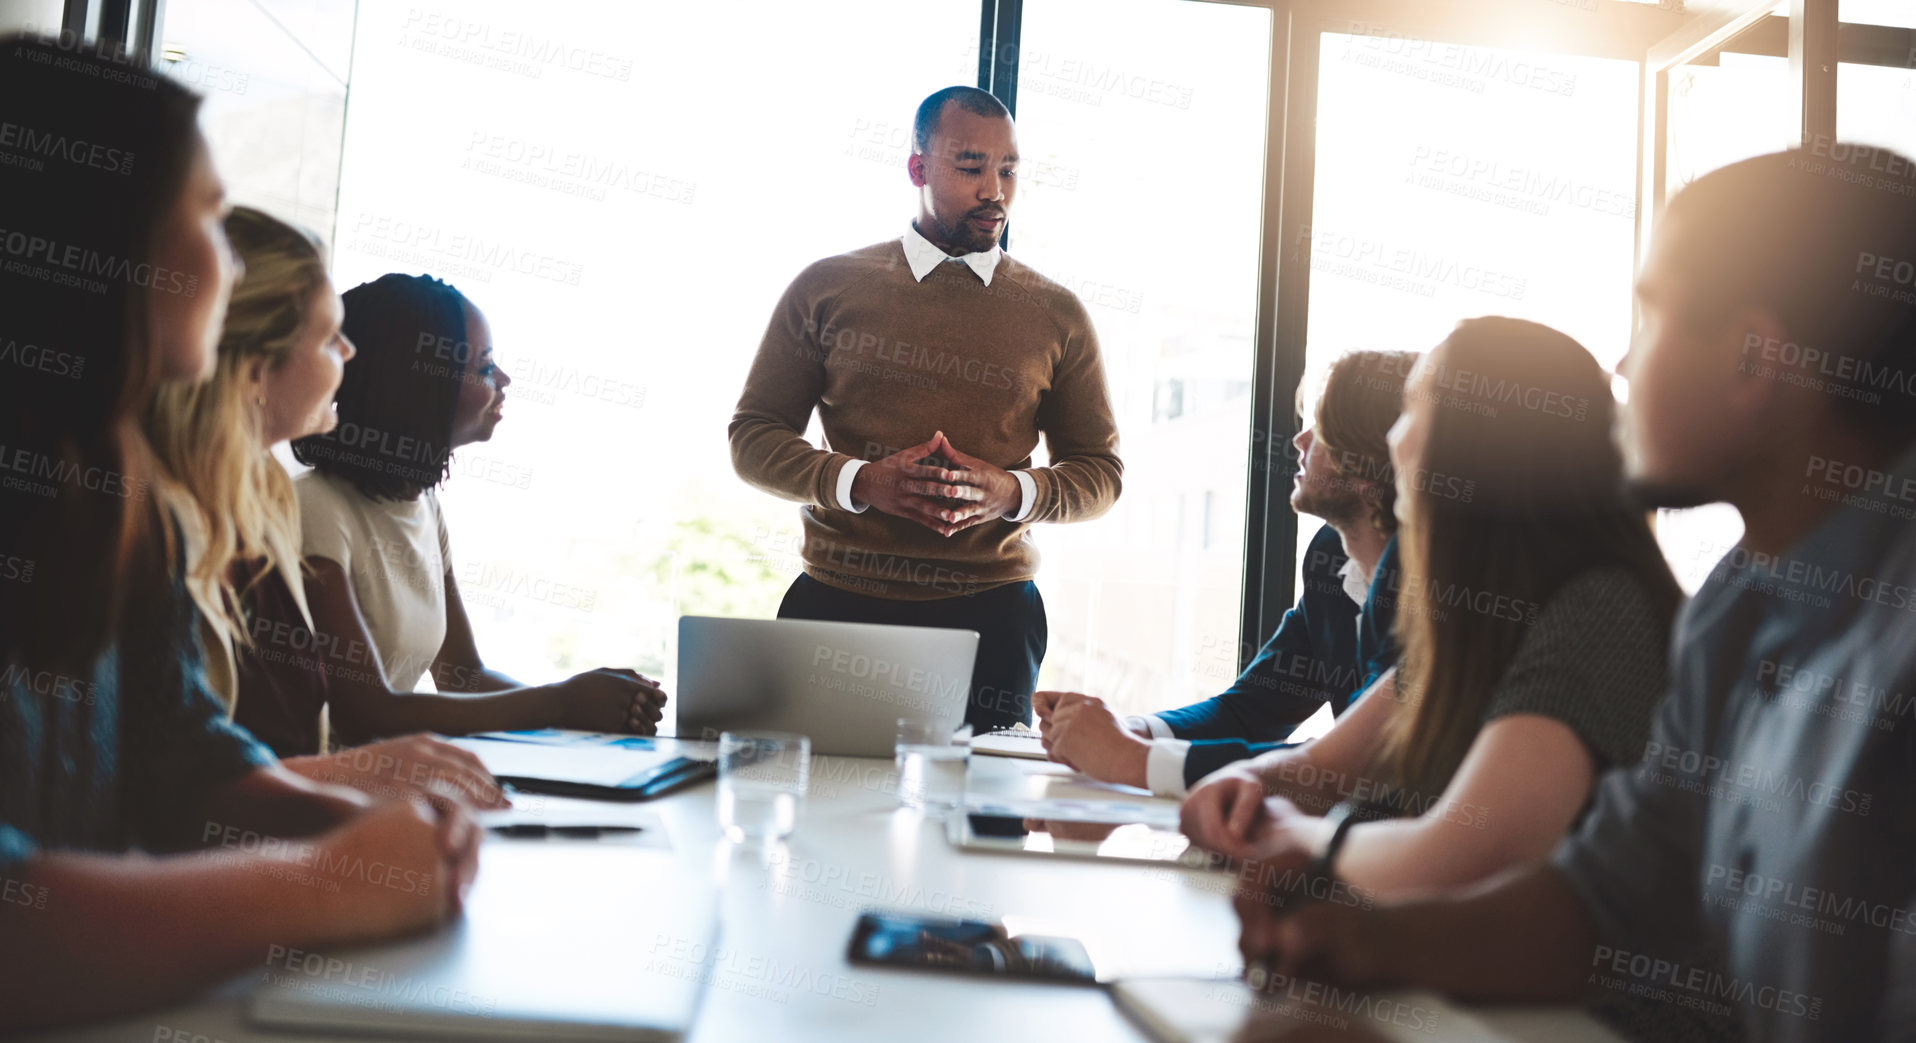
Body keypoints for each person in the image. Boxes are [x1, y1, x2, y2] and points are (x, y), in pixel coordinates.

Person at [1233, 149, 1916, 1043]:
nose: (1625, 362)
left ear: (1753, 358)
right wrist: (1364, 941)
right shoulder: (1733, 609)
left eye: (1656, 313)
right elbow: (1605, 897)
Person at [0, 34, 477, 1028]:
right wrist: (329, 881)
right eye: (212, 216)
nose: (229, 256)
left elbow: (179, 755)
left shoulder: (121, 501)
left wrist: (379, 833)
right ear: (104, 235)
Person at [1180, 316, 1683, 907]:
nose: (1392, 441)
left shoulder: (1599, 612)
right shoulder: (1474, 615)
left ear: (1476, 444)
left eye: (1412, 410)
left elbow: (1455, 861)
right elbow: (1327, 769)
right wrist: (1247, 784)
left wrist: (1297, 836)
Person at [730, 85, 1123, 733]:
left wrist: (1010, 492)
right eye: (971, 167)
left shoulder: (1058, 314)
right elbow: (752, 438)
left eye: (1009, 168)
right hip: (836, 605)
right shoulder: (825, 288)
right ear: (918, 169)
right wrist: (864, 482)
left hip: (994, 618)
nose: (995, 188)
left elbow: (1100, 474)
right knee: (819, 819)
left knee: (983, 824)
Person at [143, 206, 505, 806]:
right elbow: (180, 773)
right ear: (258, 369)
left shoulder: (262, 496)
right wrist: (360, 788)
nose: (349, 355)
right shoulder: (170, 523)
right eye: (329, 337)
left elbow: (231, 751)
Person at [289, 273, 666, 742]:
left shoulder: (424, 504)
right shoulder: (315, 508)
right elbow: (366, 712)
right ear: (417, 381)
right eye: (486, 367)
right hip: (336, 791)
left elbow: (461, 676)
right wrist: (562, 701)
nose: (503, 380)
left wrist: (588, 707)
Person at [1036, 350, 1412, 796]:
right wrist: (1129, 731)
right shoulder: (1329, 559)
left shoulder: (1428, 593)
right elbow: (1251, 710)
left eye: (1324, 430)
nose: (1300, 441)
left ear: (1373, 466)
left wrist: (1130, 759)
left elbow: (1353, 766)